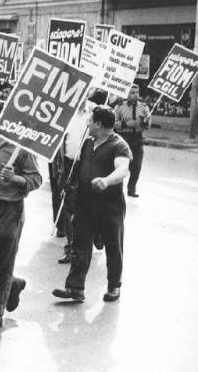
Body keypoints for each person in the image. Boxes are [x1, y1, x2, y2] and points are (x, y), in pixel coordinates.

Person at [53, 106, 132, 303]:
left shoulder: (119, 145)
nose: (87, 124)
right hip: (85, 203)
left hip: (109, 205)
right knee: (80, 245)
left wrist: (106, 181)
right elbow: (77, 168)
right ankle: (75, 288)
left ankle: (114, 286)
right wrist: (69, 186)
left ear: (98, 124)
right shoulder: (87, 142)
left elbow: (122, 169)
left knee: (113, 246)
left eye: (90, 120)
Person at [0, 120, 42, 331]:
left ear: (4, 119)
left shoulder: (21, 148)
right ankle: (13, 283)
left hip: (9, 210)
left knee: (4, 264)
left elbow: (36, 179)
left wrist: (15, 179)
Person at [57, 98, 95, 263]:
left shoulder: (94, 111)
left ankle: (90, 242)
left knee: (87, 207)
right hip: (67, 165)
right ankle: (71, 248)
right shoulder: (64, 111)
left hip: (88, 167)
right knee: (67, 207)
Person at [114, 84, 149, 197]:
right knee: (122, 164)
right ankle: (118, 188)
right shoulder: (120, 107)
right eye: (132, 92)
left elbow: (147, 125)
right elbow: (115, 124)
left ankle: (131, 188)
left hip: (137, 138)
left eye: (137, 92)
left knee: (137, 166)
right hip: (124, 137)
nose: (135, 95)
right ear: (127, 94)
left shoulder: (143, 107)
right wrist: (127, 124)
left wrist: (144, 122)